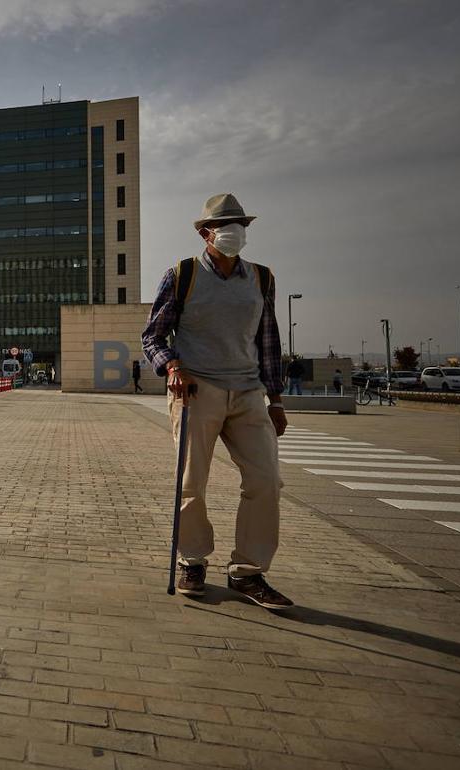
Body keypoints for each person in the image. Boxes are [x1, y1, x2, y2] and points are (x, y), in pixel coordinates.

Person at [142, 192, 292, 610]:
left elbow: (269, 341)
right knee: (191, 483)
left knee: (266, 481)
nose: (234, 232)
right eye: (225, 225)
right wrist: (173, 367)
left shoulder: (262, 278)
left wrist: (276, 399)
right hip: (196, 390)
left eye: (240, 225)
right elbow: (152, 336)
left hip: (248, 393)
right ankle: (192, 561)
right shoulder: (182, 275)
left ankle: (248, 571)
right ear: (205, 233)